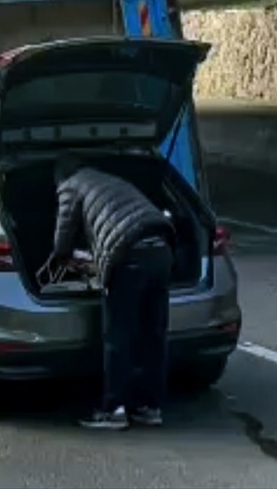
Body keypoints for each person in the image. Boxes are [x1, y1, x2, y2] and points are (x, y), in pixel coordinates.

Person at [46, 156, 175, 430]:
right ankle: (150, 408)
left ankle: (114, 409)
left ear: (61, 178)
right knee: (154, 334)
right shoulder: (109, 180)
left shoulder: (71, 185)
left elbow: (62, 239)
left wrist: (64, 257)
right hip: (162, 248)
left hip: (130, 254)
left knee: (118, 335)